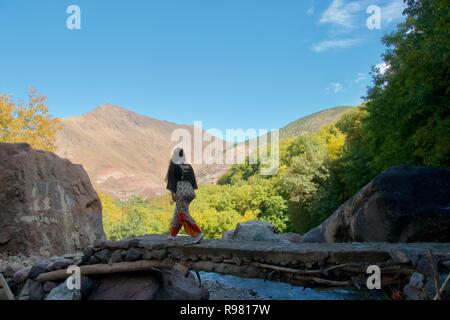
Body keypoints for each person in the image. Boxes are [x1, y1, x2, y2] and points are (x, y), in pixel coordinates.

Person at [165, 147, 204, 243]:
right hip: (189, 192)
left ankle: (198, 233)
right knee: (178, 212)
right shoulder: (189, 166)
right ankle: (173, 235)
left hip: (180, 192)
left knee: (183, 213)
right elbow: (193, 181)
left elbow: (172, 181)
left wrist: (173, 194)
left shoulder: (174, 166)